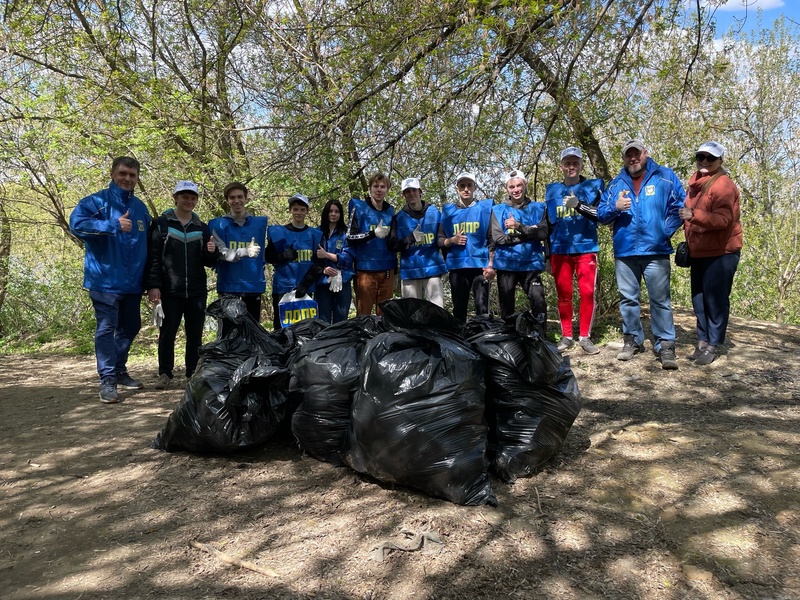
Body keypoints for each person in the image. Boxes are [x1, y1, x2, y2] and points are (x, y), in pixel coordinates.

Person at [597, 139, 685, 369]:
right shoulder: (616, 184)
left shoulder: (665, 176)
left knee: (660, 300)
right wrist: (615, 207)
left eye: (637, 154)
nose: (633, 158)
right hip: (625, 251)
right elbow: (601, 215)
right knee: (628, 299)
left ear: (645, 153)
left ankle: (665, 345)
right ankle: (632, 340)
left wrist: (664, 231)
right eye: (628, 155)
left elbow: (680, 206)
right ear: (624, 158)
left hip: (656, 250)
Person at [69, 156, 151, 403]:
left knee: (131, 327)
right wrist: (112, 225)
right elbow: (77, 225)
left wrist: (150, 280)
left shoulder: (140, 208)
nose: (127, 179)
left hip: (133, 282)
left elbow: (147, 244)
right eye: (123, 173)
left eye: (132, 175)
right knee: (106, 328)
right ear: (113, 174)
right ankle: (107, 380)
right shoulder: (96, 202)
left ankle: (119, 370)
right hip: (104, 280)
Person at [145, 181, 219, 390]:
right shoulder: (161, 224)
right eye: (184, 197)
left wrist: (211, 251)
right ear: (175, 197)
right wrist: (153, 285)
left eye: (193, 197)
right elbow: (153, 258)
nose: (189, 201)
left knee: (195, 333)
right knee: (168, 332)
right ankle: (165, 373)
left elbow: (209, 262)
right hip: (169, 290)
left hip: (196, 290)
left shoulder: (202, 227)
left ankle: (192, 373)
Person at [678, 141, 742, 366]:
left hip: (721, 252)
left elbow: (723, 220)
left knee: (715, 301)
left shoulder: (723, 185)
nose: (704, 161)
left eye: (710, 158)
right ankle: (702, 342)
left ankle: (713, 344)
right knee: (699, 300)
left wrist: (693, 214)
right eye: (700, 156)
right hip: (700, 252)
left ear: (720, 161)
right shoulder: (694, 185)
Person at [546, 147, 605, 354]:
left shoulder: (593, 186)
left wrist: (579, 204)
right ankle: (567, 336)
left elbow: (602, 215)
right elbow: (548, 223)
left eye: (575, 163)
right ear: (561, 166)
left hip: (586, 247)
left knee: (587, 293)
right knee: (564, 295)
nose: (571, 166)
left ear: (581, 165)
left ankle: (585, 337)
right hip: (560, 250)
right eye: (567, 163)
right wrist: (547, 253)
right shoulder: (552, 190)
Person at [489, 169, 549, 333]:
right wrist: (530, 233)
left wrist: (518, 227)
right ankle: (509, 340)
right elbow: (498, 239)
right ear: (507, 189)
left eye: (519, 185)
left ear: (525, 185)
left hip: (531, 264)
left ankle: (541, 338)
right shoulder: (498, 210)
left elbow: (543, 233)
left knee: (538, 302)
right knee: (506, 307)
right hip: (506, 265)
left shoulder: (539, 208)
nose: (516, 190)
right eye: (512, 187)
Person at [208, 182, 268, 329]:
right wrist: (244, 251)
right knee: (228, 334)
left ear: (246, 198)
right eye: (232, 197)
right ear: (227, 200)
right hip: (229, 286)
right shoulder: (218, 225)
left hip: (253, 285)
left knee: (252, 333)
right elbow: (221, 252)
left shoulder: (260, 224)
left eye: (240, 197)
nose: (236, 201)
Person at [438, 172, 495, 323]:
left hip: (480, 267)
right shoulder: (448, 212)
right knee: (459, 310)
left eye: (469, 185)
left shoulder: (485, 209)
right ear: (457, 189)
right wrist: (452, 240)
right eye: (462, 186)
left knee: (482, 310)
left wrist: (491, 265)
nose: (466, 189)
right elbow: (439, 240)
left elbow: (491, 239)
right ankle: (459, 343)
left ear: (475, 187)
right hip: (457, 267)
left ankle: (483, 343)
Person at [264, 194, 324, 329]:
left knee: (305, 327)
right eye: (295, 209)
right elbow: (268, 257)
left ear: (307, 211)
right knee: (281, 326)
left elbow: (319, 263)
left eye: (302, 209)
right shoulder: (278, 233)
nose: (299, 213)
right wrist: (283, 256)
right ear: (290, 210)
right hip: (283, 287)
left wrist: (305, 283)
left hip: (306, 288)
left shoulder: (315, 235)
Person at [388, 177, 448, 306]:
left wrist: (447, 266)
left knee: (437, 312)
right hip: (410, 271)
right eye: (407, 191)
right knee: (412, 314)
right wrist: (410, 239)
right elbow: (392, 246)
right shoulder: (398, 218)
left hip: (433, 270)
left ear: (420, 191)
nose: (411, 194)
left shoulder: (435, 213)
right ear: (403, 195)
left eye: (414, 190)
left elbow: (441, 240)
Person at [347, 173, 397, 315]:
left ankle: (382, 338)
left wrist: (396, 271)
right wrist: (372, 234)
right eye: (376, 186)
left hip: (387, 269)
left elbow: (392, 243)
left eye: (383, 187)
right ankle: (362, 338)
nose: (379, 190)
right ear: (370, 188)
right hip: (365, 270)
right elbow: (350, 237)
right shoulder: (359, 207)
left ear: (387, 189)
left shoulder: (391, 212)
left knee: (385, 315)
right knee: (364, 315)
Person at [315, 199, 354, 323]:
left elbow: (348, 258)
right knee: (322, 321)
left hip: (342, 280)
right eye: (330, 211)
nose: (333, 214)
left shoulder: (347, 233)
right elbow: (313, 258)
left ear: (340, 214)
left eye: (336, 211)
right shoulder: (317, 232)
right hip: (322, 282)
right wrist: (323, 270)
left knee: (341, 322)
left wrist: (327, 255)